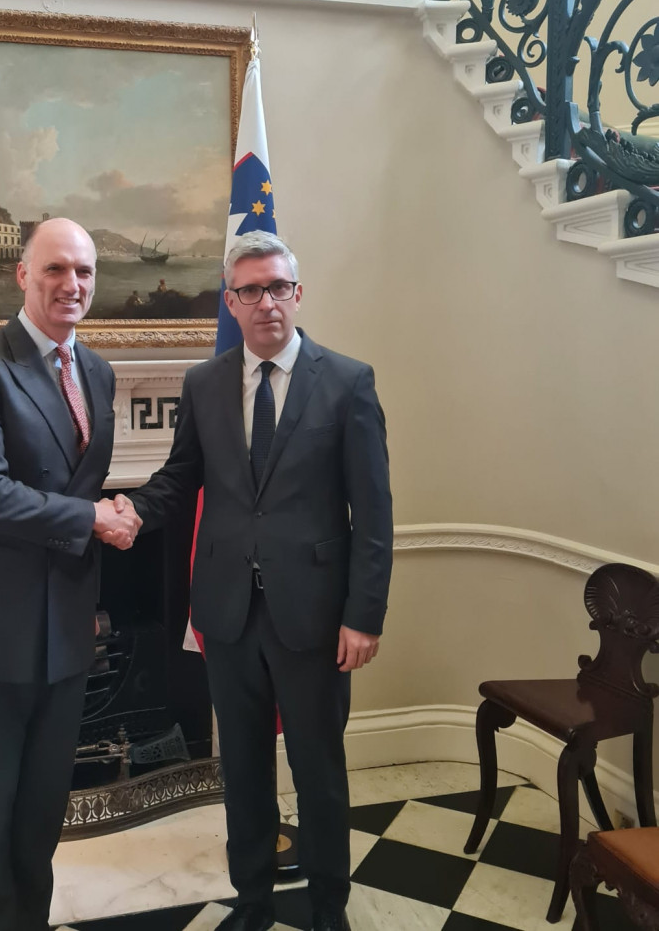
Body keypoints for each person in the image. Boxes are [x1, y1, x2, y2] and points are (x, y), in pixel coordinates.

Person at [113, 231, 392, 931]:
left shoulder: (349, 381)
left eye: (278, 287)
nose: (265, 302)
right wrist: (129, 512)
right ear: (230, 302)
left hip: (317, 618)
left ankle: (329, 907)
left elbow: (375, 513)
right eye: (250, 290)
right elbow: (179, 481)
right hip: (227, 615)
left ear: (297, 294)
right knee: (241, 772)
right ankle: (254, 903)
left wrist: (365, 616)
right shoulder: (205, 383)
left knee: (319, 773)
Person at [0, 218, 140, 931]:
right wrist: (92, 520)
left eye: (83, 271)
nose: (71, 285)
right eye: (55, 269)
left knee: (44, 806)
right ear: (22, 275)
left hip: (67, 623)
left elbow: (80, 484)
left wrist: (108, 507)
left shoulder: (100, 371)